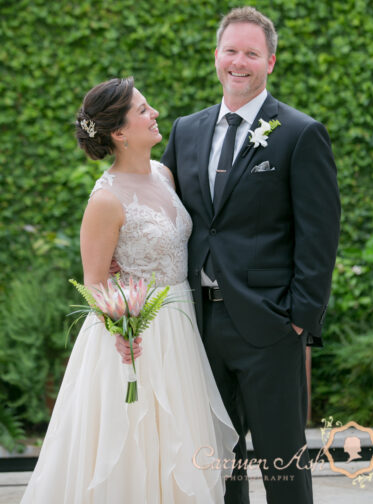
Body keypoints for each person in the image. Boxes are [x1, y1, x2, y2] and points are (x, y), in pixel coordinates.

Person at [21, 77, 237, 504]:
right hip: (135, 336)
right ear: (119, 133)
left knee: (180, 446)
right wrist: (122, 330)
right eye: (142, 110)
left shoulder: (165, 174)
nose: (154, 113)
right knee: (134, 448)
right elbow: (95, 281)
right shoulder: (105, 200)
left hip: (182, 331)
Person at [162, 6, 341, 504]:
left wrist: (299, 320)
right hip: (196, 325)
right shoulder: (185, 130)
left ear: (271, 62)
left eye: (251, 53)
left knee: (282, 465)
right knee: (218, 463)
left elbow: (319, 234)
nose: (239, 62)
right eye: (231, 51)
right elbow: (171, 218)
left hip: (270, 327)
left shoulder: (299, 133)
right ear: (216, 56)